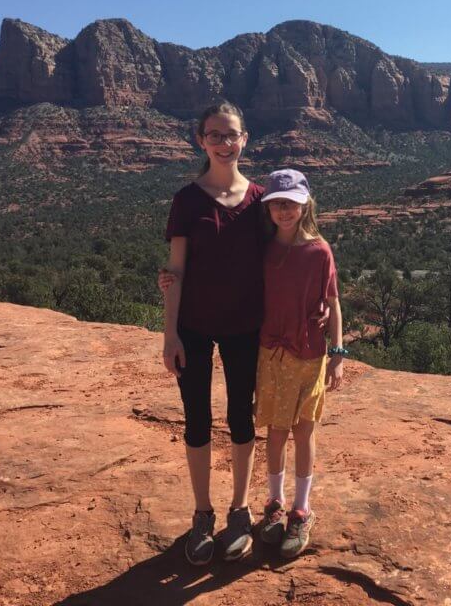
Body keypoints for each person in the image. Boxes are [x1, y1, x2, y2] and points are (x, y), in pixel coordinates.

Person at [161, 102, 264, 565]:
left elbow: (289, 256)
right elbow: (176, 270)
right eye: (214, 135)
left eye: (231, 135)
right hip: (195, 326)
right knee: (197, 418)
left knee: (242, 416)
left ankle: (239, 511)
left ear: (246, 138)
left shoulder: (261, 199)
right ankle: (203, 513)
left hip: (247, 325)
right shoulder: (187, 199)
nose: (224, 143)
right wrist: (170, 335)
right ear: (200, 140)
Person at [255, 168, 346, 559]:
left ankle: (302, 508)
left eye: (290, 203)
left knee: (304, 431)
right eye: (277, 203)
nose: (284, 210)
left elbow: (334, 300)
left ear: (305, 203)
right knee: (276, 432)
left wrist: (338, 354)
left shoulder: (319, 251)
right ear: (269, 208)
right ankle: (275, 505)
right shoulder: (263, 248)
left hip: (310, 354)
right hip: (272, 353)